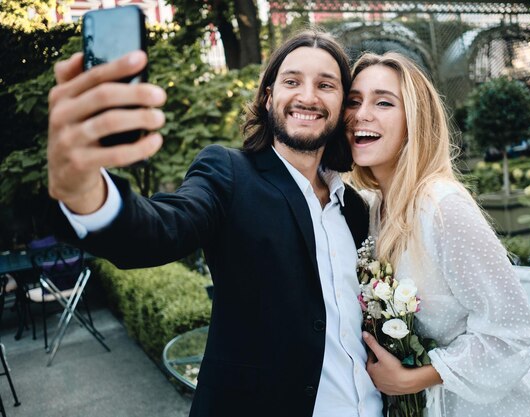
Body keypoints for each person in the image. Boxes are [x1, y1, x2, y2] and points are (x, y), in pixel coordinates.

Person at [46, 30, 383, 417]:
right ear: (269, 95)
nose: (307, 96)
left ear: (342, 106)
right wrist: (83, 190)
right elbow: (161, 229)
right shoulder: (229, 173)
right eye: (292, 81)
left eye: (326, 85)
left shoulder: (355, 207)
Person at [345, 52, 530, 417]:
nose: (361, 114)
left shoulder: (441, 207)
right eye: (354, 101)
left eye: (383, 102)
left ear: (415, 121)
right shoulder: (369, 209)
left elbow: (512, 335)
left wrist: (412, 380)